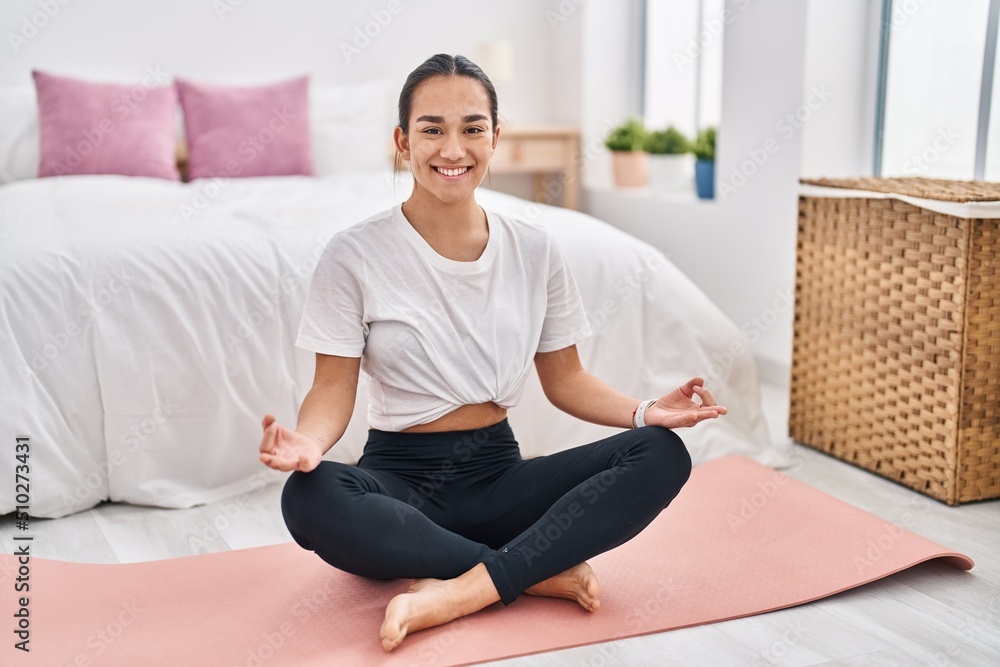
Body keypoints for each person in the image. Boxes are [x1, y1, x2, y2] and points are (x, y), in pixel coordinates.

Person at [258, 53, 727, 652]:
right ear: (402, 142)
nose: (453, 148)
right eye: (432, 129)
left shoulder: (535, 250)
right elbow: (331, 388)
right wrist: (309, 444)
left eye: (472, 128)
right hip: (401, 486)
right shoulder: (353, 254)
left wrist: (646, 412)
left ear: (495, 139)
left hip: (500, 479)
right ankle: (529, 572)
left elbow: (566, 380)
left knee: (662, 453)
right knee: (308, 495)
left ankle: (463, 589)